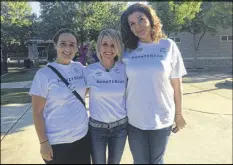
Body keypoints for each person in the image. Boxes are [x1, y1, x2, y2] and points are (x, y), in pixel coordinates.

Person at [120, 3, 187, 164]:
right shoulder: (127, 51)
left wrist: (179, 114)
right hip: (135, 119)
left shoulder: (168, 45)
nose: (138, 26)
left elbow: (177, 85)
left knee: (157, 161)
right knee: (140, 161)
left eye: (141, 19)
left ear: (150, 19)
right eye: (132, 24)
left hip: (162, 118)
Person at [29, 28, 91, 164]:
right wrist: (43, 143)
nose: (67, 48)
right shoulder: (44, 74)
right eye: (63, 44)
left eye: (72, 44)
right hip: (57, 143)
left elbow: (85, 92)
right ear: (55, 45)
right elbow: (37, 113)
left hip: (83, 138)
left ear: (76, 48)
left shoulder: (80, 68)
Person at [84, 29, 127, 164]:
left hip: (120, 128)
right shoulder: (89, 71)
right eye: (105, 44)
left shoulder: (125, 69)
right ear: (99, 46)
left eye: (113, 45)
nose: (109, 49)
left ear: (118, 48)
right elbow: (76, 99)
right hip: (96, 129)